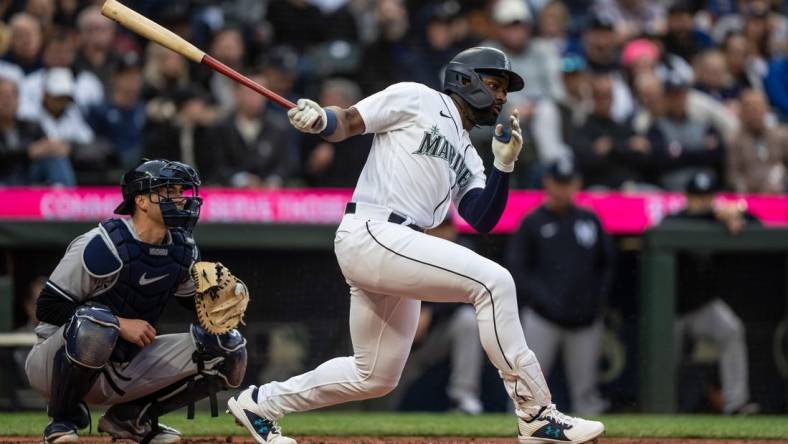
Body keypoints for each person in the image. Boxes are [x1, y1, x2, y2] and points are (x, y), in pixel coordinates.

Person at [227, 46, 604, 444]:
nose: (500, 97)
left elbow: (481, 217)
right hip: (375, 229)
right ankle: (536, 411)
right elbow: (348, 123)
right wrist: (321, 117)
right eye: (494, 85)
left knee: (374, 376)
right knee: (494, 283)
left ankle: (260, 402)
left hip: (397, 243)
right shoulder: (417, 97)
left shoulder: (470, 153)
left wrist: (503, 166)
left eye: (503, 91)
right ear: (465, 80)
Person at [24, 160, 248, 443]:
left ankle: (129, 418)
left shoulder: (183, 249)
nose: (180, 198)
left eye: (181, 190)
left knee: (231, 349)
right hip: (54, 364)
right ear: (141, 200)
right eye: (169, 191)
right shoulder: (102, 244)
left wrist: (217, 301)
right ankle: (62, 419)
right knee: (97, 321)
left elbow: (196, 308)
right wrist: (119, 324)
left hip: (122, 366)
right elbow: (47, 306)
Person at [505, 158, 614, 415]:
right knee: (527, 392)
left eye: (569, 184)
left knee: (586, 396)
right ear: (547, 183)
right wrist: (543, 299)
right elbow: (518, 269)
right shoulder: (533, 222)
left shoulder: (589, 220)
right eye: (558, 183)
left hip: (585, 321)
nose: (563, 190)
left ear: (577, 185)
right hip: (543, 319)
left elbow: (607, 266)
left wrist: (595, 303)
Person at [659, 171, 759, 415]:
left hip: (702, 306)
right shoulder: (675, 219)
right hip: (668, 310)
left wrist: (736, 214)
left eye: (706, 197)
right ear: (687, 197)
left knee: (731, 329)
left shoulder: (719, 218)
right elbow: (664, 228)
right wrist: (715, 215)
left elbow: (758, 223)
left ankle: (736, 404)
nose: (701, 202)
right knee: (664, 360)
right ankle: (659, 409)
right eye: (696, 197)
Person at [385, 217, 485, 415]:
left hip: (441, 331)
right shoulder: (411, 251)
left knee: (467, 320)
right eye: (437, 228)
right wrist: (411, 314)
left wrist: (431, 312)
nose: (442, 233)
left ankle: (463, 398)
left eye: (446, 227)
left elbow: (468, 294)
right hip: (407, 335)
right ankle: (379, 412)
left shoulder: (464, 252)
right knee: (385, 387)